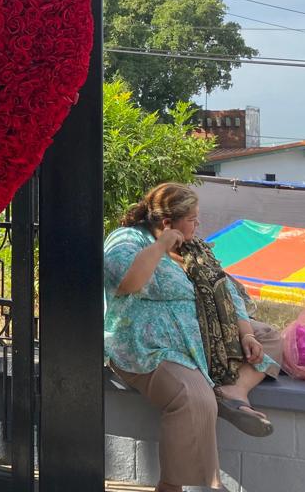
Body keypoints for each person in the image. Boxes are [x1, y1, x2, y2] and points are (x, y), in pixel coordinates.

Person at [104, 182, 283, 492]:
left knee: (269, 339)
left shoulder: (194, 249)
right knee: (193, 397)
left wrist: (246, 334)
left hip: (201, 340)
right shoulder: (127, 240)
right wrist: (160, 247)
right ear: (167, 222)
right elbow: (126, 282)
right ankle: (175, 485)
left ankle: (232, 392)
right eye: (192, 219)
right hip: (149, 347)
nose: (197, 225)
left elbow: (226, 291)